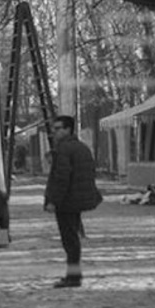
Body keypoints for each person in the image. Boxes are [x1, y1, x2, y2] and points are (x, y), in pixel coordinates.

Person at [44, 115, 100, 288]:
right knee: (73, 238)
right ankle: (74, 275)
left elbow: (62, 178)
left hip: (67, 201)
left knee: (69, 241)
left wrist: (53, 200)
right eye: (54, 129)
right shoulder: (82, 147)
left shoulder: (64, 149)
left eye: (58, 128)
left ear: (68, 129)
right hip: (78, 199)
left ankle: (73, 276)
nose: (55, 132)